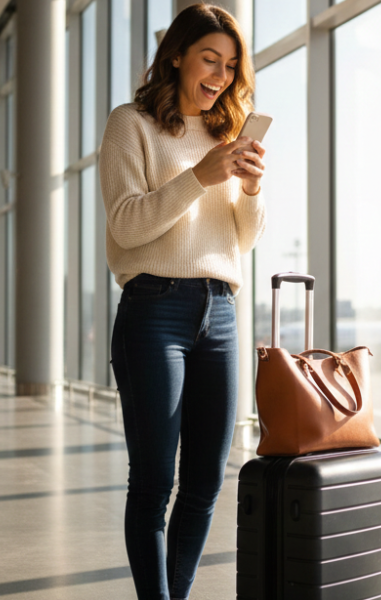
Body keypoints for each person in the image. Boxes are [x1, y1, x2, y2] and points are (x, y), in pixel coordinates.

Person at [99, 5, 266, 598]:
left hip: (221, 310)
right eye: (209, 59)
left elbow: (242, 238)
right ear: (176, 55)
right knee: (152, 483)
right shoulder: (131, 125)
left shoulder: (226, 136)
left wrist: (247, 187)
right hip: (154, 310)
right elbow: (125, 225)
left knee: (204, 484)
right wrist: (199, 175)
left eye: (230, 65)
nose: (221, 76)